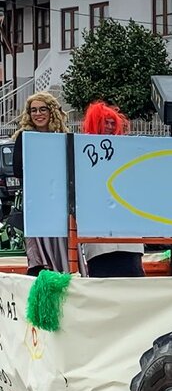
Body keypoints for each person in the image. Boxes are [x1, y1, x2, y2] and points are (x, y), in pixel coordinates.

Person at [79, 101, 145, 277]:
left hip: (128, 235)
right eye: (104, 122)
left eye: (112, 123)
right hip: (98, 238)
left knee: (133, 276)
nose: (109, 126)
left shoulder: (127, 151)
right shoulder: (82, 151)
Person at [13, 91, 71, 275]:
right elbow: (17, 170)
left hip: (59, 199)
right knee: (37, 249)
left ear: (51, 111)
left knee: (62, 243)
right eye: (33, 110)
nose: (38, 114)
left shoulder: (63, 137)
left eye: (42, 109)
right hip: (36, 201)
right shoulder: (25, 137)